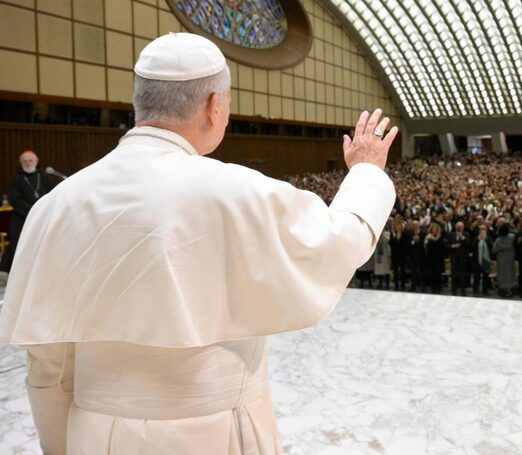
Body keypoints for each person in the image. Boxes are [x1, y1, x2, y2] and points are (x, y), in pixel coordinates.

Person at [0, 33, 398, 455]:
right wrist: (366, 170)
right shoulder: (237, 191)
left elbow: (49, 367)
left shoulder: (55, 205)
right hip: (213, 432)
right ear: (213, 105)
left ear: (139, 102)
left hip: (95, 434)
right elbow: (342, 240)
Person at [1, 150, 55, 274]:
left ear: (36, 161)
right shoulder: (16, 180)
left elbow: (52, 195)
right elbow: (15, 200)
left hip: (43, 217)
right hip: (22, 219)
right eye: (25, 161)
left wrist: (42, 211)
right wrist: (33, 212)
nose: (28, 163)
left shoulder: (45, 177)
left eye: (30, 160)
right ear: (21, 163)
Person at [491, 223, 516, 298]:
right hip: (510, 259)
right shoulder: (512, 237)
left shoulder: (498, 240)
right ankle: (509, 289)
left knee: (502, 275)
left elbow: (494, 250)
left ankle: (504, 289)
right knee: (510, 274)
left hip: (501, 259)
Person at [447, 221, 470, 296]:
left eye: (461, 226)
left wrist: (462, 237)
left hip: (463, 258)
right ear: (455, 227)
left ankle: (463, 290)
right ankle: (454, 290)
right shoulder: (451, 234)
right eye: (458, 226)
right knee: (454, 274)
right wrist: (453, 246)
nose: (459, 228)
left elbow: (468, 244)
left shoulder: (466, 234)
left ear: (463, 227)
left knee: (462, 275)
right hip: (454, 257)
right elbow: (447, 245)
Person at [423, 222, 447, 294]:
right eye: (434, 229)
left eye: (436, 229)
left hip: (439, 258)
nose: (435, 230)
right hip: (430, 258)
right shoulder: (427, 238)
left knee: (438, 274)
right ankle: (432, 287)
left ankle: (439, 287)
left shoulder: (441, 238)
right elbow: (426, 248)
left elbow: (443, 248)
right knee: (432, 273)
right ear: (431, 230)